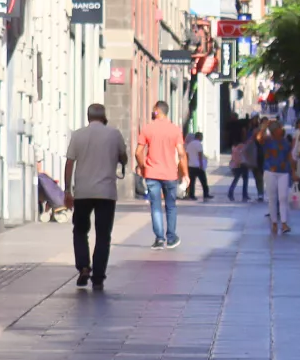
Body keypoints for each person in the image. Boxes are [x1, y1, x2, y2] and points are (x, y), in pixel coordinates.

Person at [63, 103, 128, 291]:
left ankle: (83, 266)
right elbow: (123, 157)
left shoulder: (78, 135)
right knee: (103, 235)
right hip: (106, 193)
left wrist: (67, 190)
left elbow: (69, 163)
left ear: (88, 116)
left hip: (83, 192)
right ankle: (98, 276)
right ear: (104, 116)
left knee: (80, 230)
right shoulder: (114, 134)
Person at [135, 100, 188, 249]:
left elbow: (138, 152)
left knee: (155, 206)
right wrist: (185, 174)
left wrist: (143, 167)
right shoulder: (175, 130)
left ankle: (159, 239)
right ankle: (171, 238)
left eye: (154, 110)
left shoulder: (147, 129)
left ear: (158, 111)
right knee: (171, 206)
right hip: (170, 174)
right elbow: (181, 153)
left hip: (152, 173)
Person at [258, 120, 296, 234]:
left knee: (283, 197)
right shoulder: (267, 140)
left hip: (284, 172)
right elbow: (258, 138)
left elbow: (289, 156)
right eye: (279, 128)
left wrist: (294, 171)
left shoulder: (285, 142)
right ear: (274, 131)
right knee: (272, 198)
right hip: (270, 171)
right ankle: (274, 222)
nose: (282, 129)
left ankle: (284, 223)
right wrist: (264, 127)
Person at [227, 127, 255, 201]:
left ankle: (231, 193)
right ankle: (244, 195)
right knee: (244, 180)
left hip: (236, 164)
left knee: (236, 179)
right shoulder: (241, 146)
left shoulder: (234, 146)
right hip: (241, 164)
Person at [183, 132, 210, 200]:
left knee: (192, 182)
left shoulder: (190, 144)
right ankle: (206, 194)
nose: (202, 138)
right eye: (202, 137)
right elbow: (200, 154)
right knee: (203, 180)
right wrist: (201, 164)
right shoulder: (199, 144)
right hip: (198, 166)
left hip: (190, 165)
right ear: (199, 137)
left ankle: (192, 195)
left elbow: (187, 155)